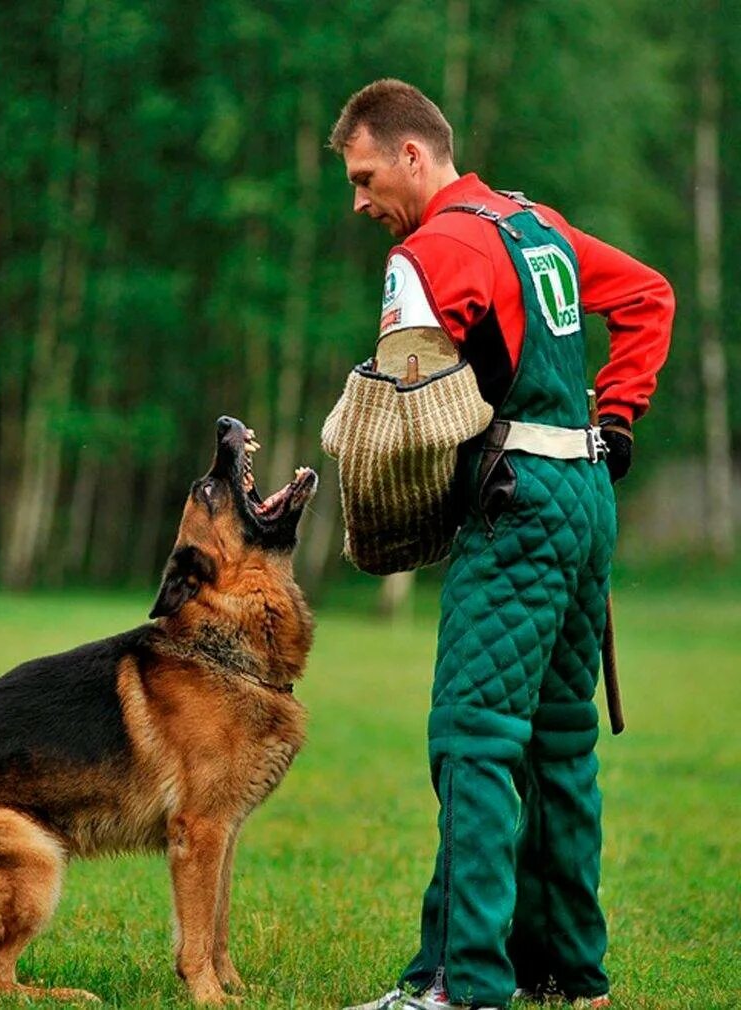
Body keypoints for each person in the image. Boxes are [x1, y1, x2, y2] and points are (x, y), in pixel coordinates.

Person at [329, 80, 674, 1010]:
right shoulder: (533, 223)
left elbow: (401, 406)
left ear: (413, 155)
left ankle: (460, 982)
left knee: (474, 740)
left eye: (364, 178)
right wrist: (620, 416)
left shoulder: (431, 248)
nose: (359, 202)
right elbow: (648, 294)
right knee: (560, 742)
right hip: (585, 494)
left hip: (515, 500)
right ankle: (568, 971)